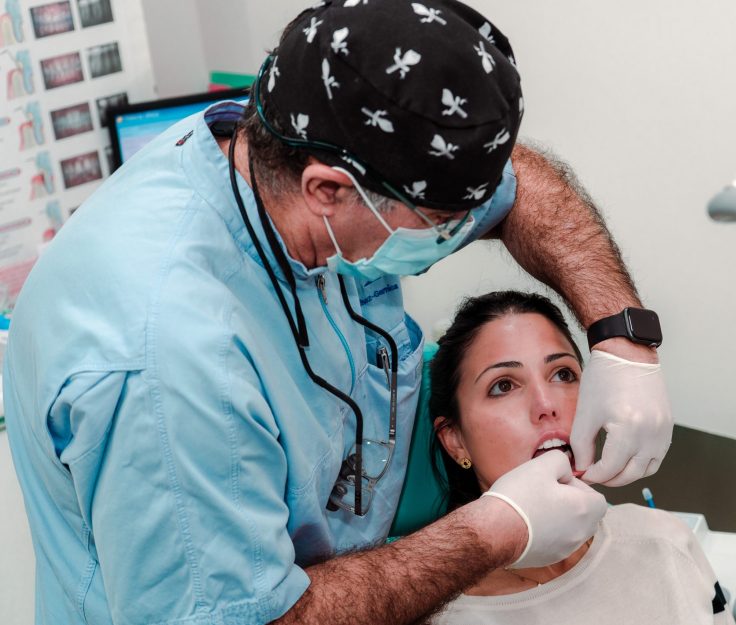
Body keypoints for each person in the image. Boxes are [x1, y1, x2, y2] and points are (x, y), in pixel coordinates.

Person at [4, 2, 672, 624]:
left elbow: (520, 184)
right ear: (329, 189)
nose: (460, 235)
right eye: (441, 226)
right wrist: (497, 528)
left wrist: (621, 333)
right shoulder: (169, 363)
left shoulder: (291, 136)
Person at [428, 291, 730, 624]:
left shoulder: (666, 540)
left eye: (563, 374)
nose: (546, 405)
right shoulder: (440, 614)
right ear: (455, 440)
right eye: (503, 385)